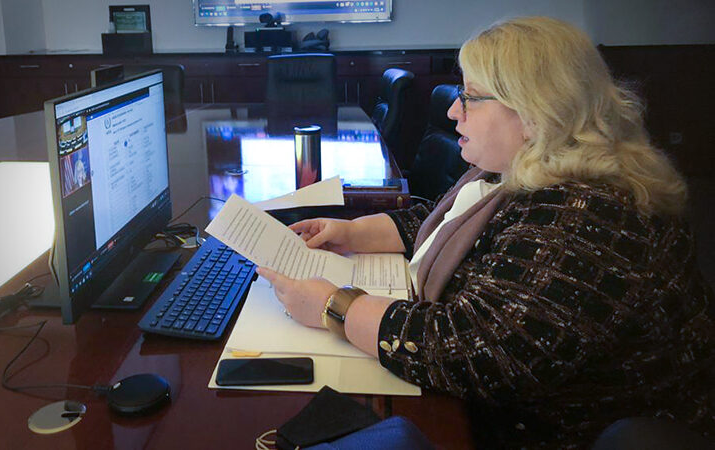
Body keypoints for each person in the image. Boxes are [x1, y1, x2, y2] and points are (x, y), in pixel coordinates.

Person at [257, 17, 715, 448]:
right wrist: (349, 232)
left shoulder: (586, 212)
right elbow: (442, 223)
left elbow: (471, 351)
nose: (455, 110)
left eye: (471, 96)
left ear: (536, 112)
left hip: (555, 432)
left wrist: (331, 306)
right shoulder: (520, 172)